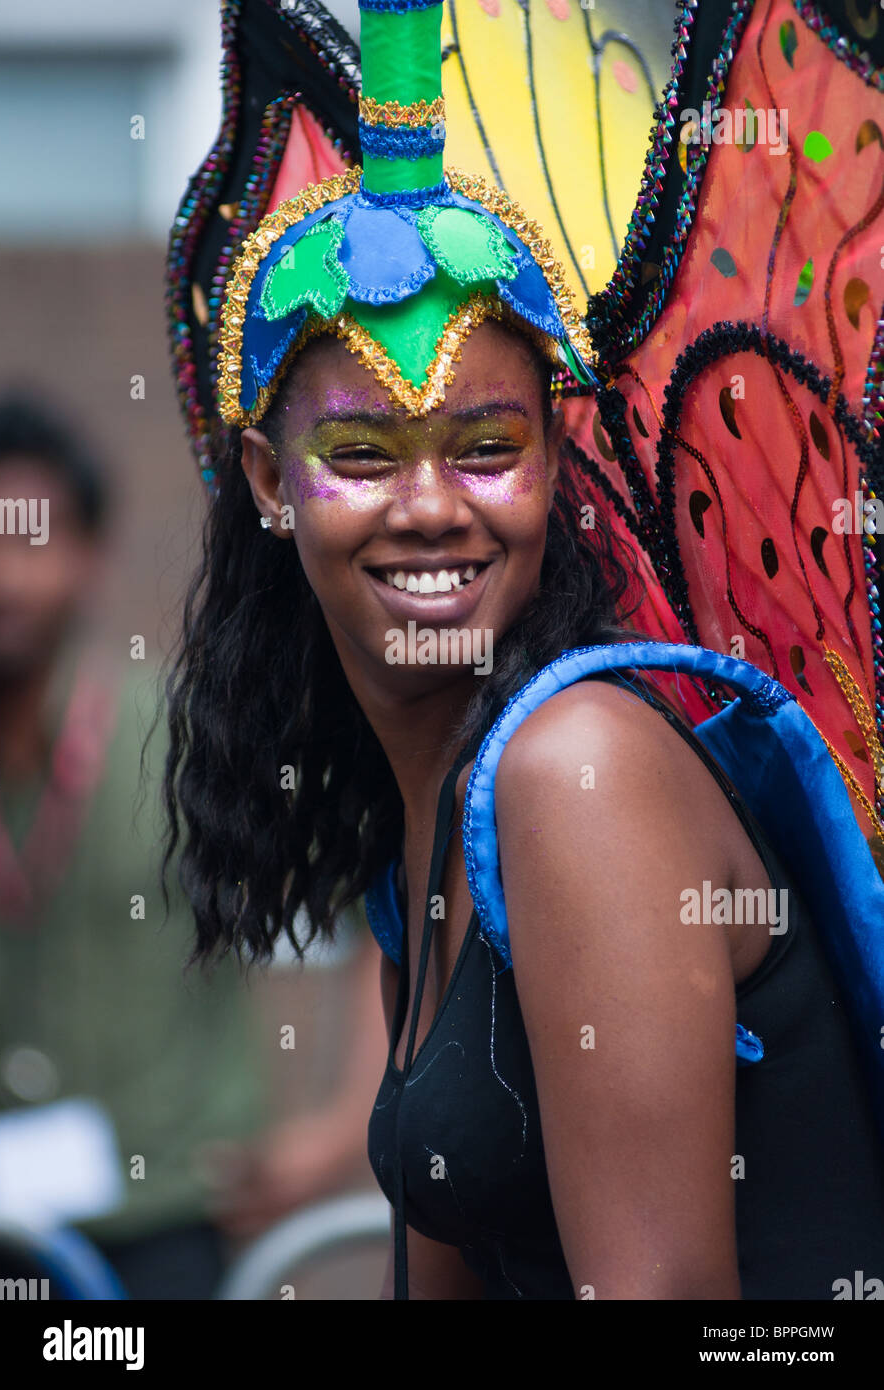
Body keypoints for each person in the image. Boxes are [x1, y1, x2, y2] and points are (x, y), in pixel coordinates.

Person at [162, 0, 884, 1300]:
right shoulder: (427, 816)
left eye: (485, 448)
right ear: (270, 481)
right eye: (362, 455)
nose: (430, 505)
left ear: (554, 466)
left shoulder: (573, 776)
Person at [0, 392, 388, 1298]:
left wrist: (340, 1128)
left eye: (29, 541)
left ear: (88, 557)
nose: (3, 577)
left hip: (175, 1217)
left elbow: (374, 899)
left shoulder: (183, 737)